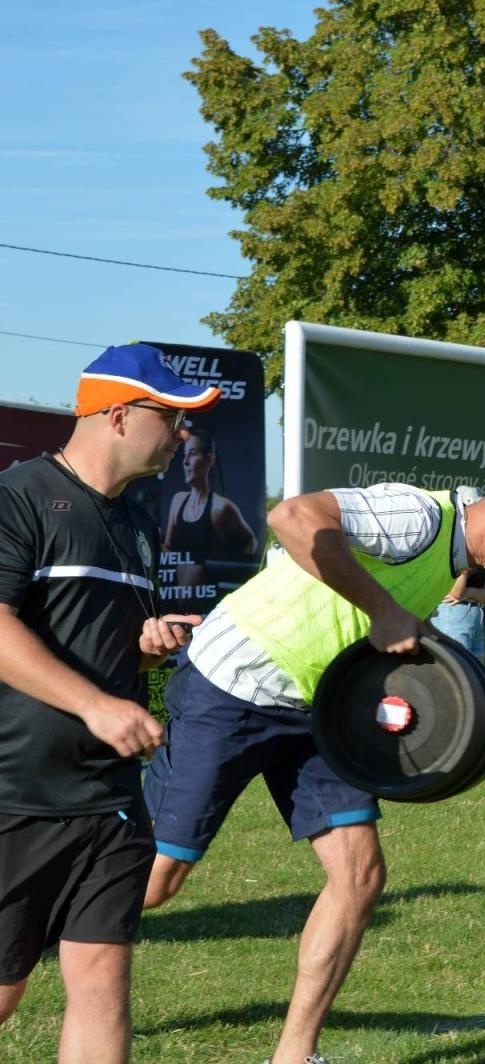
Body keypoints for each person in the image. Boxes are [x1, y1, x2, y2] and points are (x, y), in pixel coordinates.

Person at [141, 457, 485, 1064]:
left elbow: (391, 626)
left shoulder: (456, 562)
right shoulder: (419, 518)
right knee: (154, 882)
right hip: (232, 685)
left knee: (359, 877)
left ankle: (295, 1056)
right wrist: (381, 609)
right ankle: (30, 923)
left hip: (315, 709)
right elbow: (293, 517)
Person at [0, 344, 217, 1062]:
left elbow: (99, 641)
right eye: (172, 417)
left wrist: (148, 644)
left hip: (110, 796)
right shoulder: (18, 497)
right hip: (16, 793)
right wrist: (96, 705)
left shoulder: (138, 524)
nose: (183, 434)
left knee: (102, 981)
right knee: (4, 991)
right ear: (119, 415)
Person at [162, 426, 258, 590]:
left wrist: (228, 577)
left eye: (192, 454)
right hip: (177, 597)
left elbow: (251, 542)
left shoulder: (220, 508)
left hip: (208, 599)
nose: (185, 461)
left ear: (209, 459)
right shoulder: (178, 501)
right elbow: (168, 549)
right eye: (184, 454)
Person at [430, 565, 485, 660]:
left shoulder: (480, 563)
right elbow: (456, 594)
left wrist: (470, 592)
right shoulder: (455, 558)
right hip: (453, 614)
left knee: (474, 667)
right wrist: (464, 569)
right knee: (457, 662)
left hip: (475, 618)